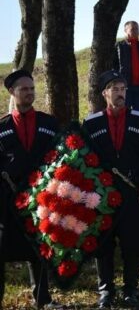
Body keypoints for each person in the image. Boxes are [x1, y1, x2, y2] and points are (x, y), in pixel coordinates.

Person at [82, 70, 139, 308]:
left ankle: (131, 290)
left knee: (132, 244)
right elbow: (85, 161)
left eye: (123, 89)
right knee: (103, 244)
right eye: (114, 89)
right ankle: (106, 290)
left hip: (133, 193)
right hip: (102, 196)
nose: (120, 93)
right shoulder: (91, 123)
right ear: (104, 93)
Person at [0, 70, 62, 309]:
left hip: (40, 201)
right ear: (12, 92)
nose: (29, 93)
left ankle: (43, 299)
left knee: (40, 250)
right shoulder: (2, 126)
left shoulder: (49, 123)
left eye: (32, 88)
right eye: (24, 89)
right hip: (8, 202)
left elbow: (60, 158)